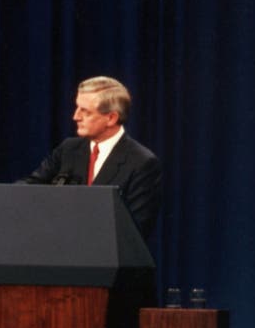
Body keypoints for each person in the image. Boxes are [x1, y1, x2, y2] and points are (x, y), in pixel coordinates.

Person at [21, 75, 162, 238]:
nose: (76, 117)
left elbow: (134, 230)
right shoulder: (68, 149)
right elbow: (31, 186)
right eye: (77, 108)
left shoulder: (142, 162)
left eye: (85, 111)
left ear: (111, 118)